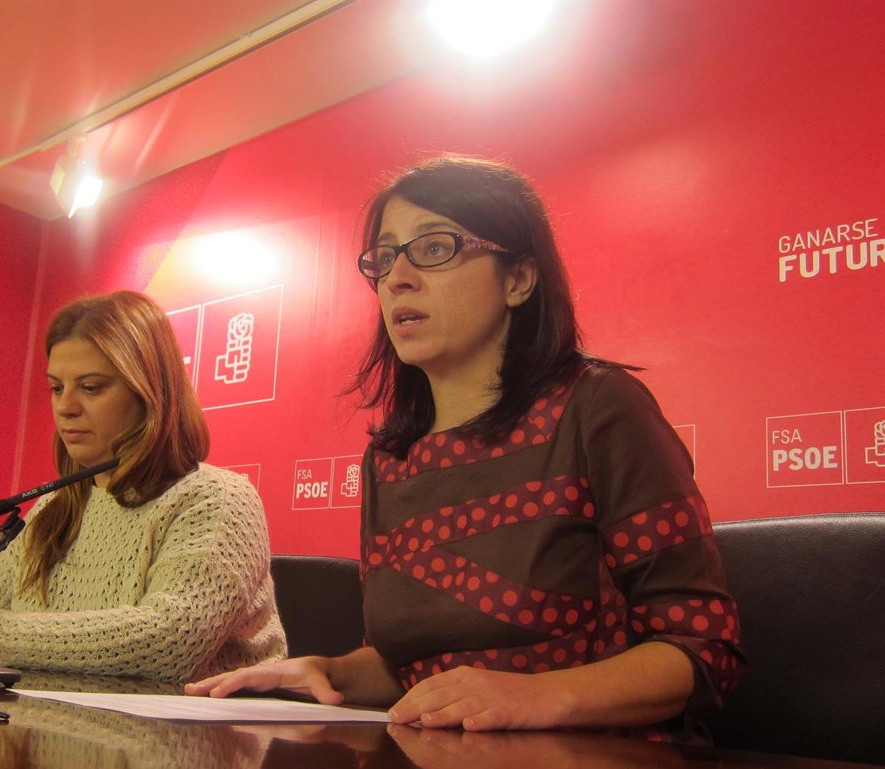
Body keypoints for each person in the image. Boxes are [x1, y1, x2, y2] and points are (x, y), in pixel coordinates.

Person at [188, 156, 744, 730]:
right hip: (444, 767)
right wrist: (330, 673)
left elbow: (701, 646)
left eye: (434, 248)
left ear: (518, 279)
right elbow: (412, 669)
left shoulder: (596, 406)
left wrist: (539, 696)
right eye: (385, 257)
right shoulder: (391, 459)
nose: (398, 278)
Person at [0, 290, 285, 680]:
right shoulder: (54, 507)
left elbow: (172, 641)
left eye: (91, 388)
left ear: (150, 395)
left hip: (188, 743)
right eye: (57, 388)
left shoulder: (217, 499)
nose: (66, 407)